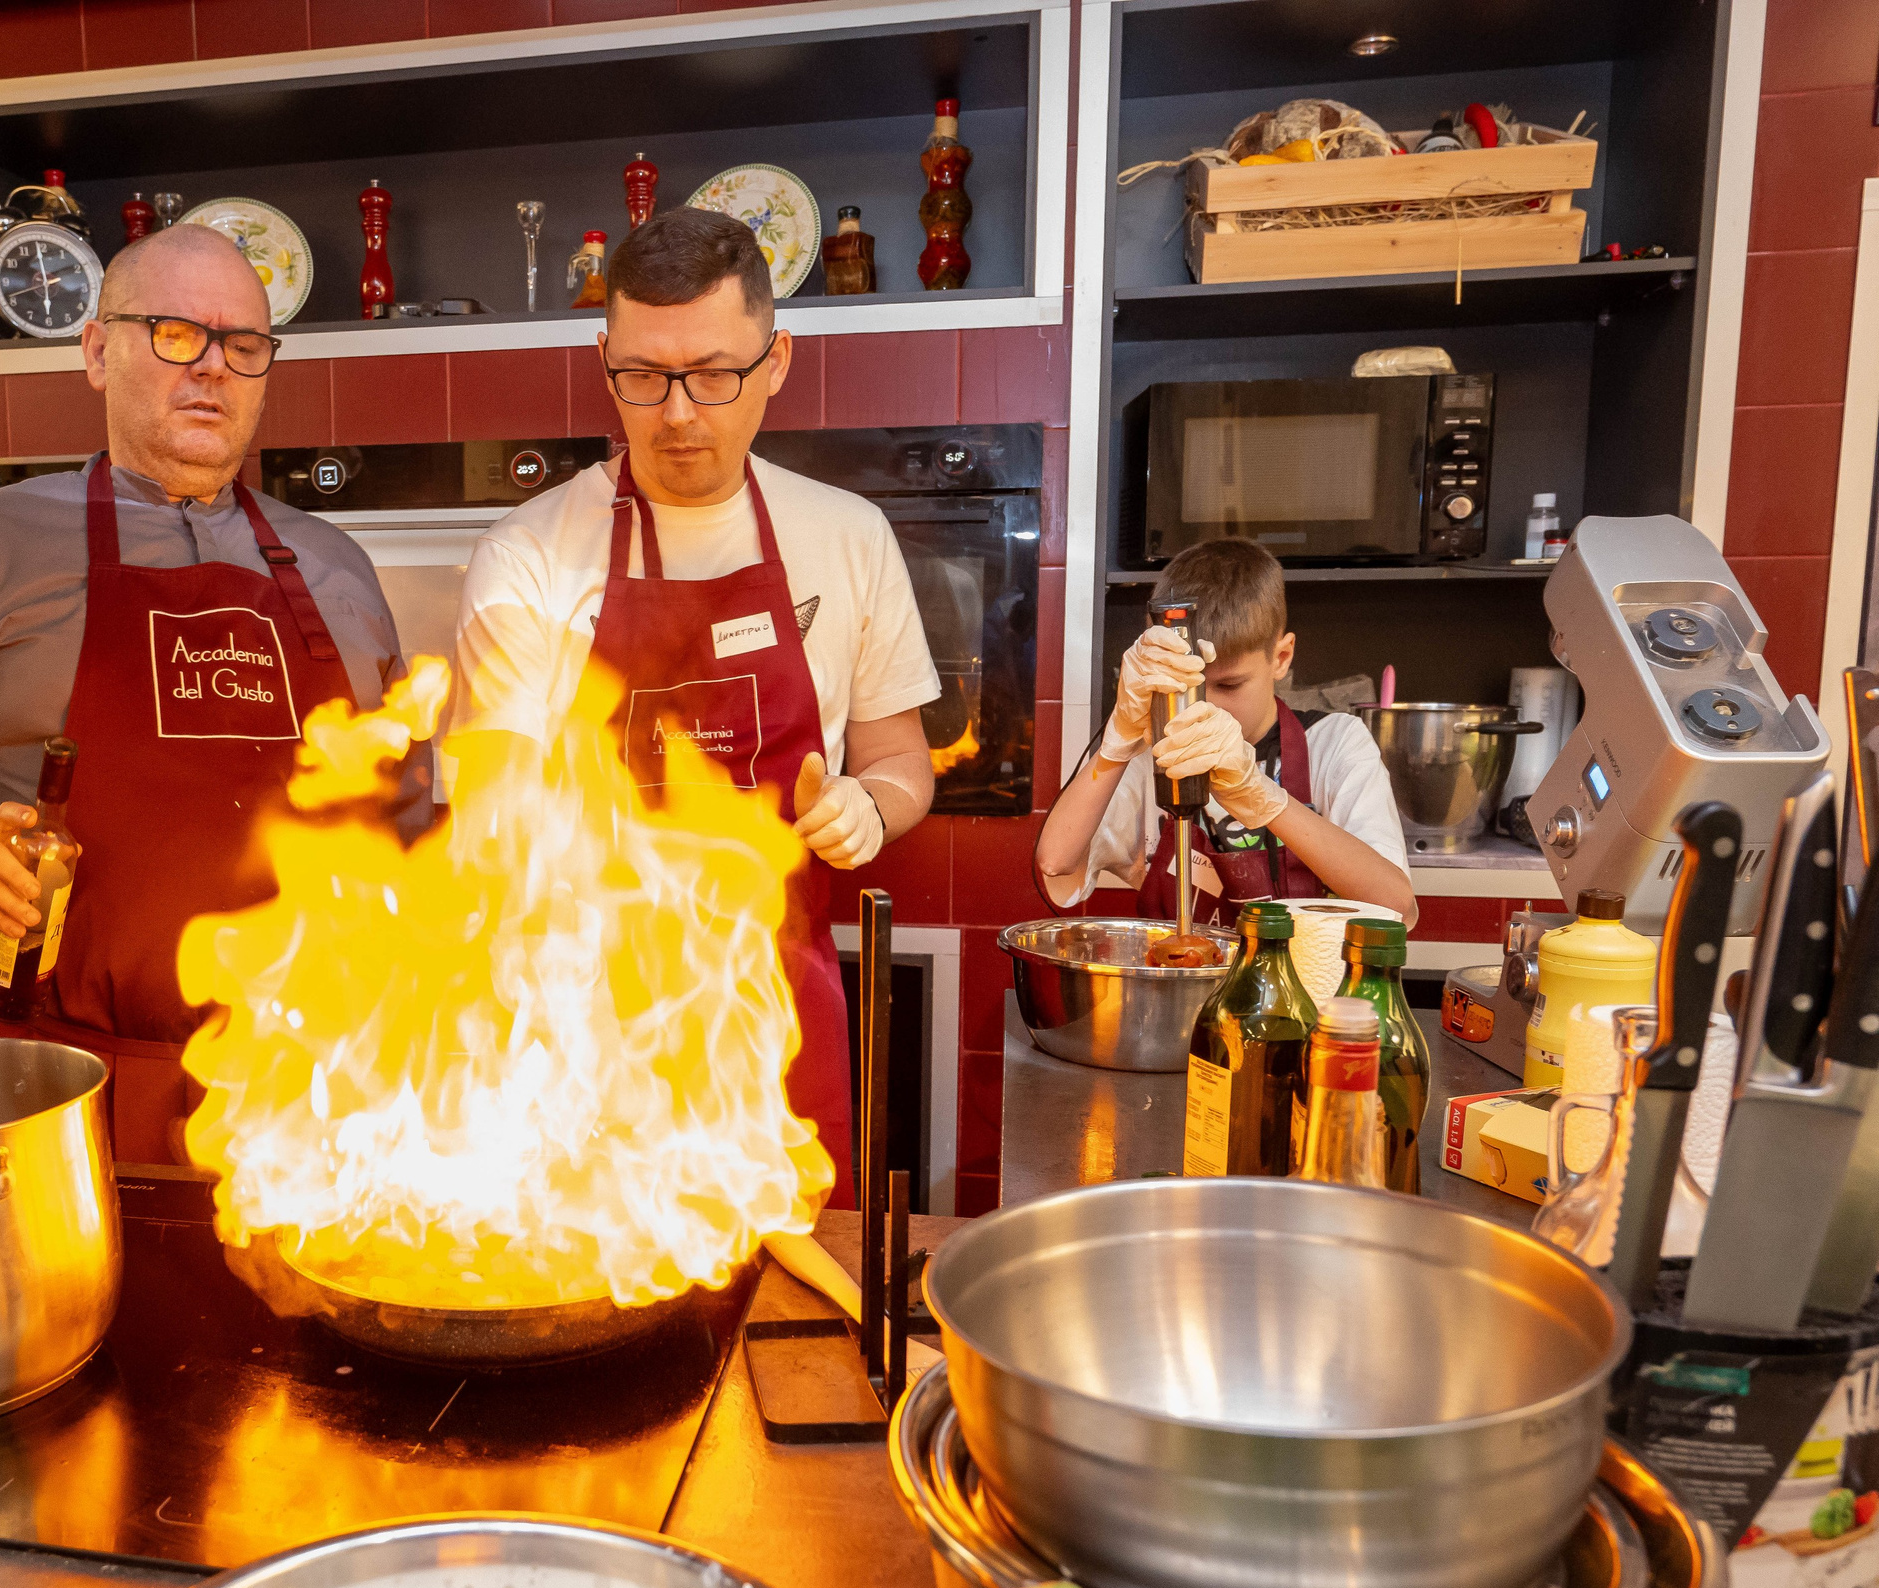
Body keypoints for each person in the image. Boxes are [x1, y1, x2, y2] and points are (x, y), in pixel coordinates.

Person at [0, 225, 417, 1165]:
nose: (211, 369)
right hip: (67, 1102)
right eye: (173, 333)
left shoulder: (338, 569)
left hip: (322, 1104)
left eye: (242, 344)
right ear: (95, 350)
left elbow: (403, 824)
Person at [447, 206, 943, 1197]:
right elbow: (491, 804)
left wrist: (867, 804)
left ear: (777, 359)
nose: (677, 413)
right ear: (605, 357)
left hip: (779, 1015)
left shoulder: (846, 537)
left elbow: (904, 764)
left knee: (796, 1331)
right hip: (584, 1025)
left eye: (716, 374)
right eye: (642, 376)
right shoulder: (529, 554)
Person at [1035, 538, 1415, 924]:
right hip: (1180, 979)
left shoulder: (1335, 743)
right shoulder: (1151, 756)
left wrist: (1264, 798)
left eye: (1229, 685)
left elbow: (1397, 907)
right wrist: (1116, 746)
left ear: (1281, 658)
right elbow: (1055, 864)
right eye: (1186, 687)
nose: (1206, 707)